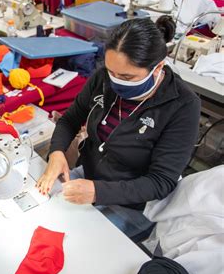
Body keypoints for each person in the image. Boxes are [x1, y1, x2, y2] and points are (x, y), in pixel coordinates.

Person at [36, 16, 200, 234]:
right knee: (43, 218)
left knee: (81, 242)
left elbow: (160, 182)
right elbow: (70, 119)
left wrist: (98, 192)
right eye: (111, 72)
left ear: (158, 67)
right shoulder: (104, 78)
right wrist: (57, 152)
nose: (115, 81)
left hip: (133, 203)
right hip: (89, 176)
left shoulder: (182, 105)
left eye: (127, 77)